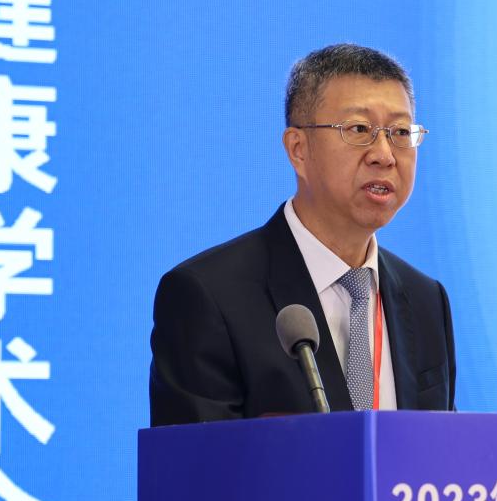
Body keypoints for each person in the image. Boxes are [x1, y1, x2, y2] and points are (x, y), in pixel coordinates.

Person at [149, 43, 455, 425]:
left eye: (400, 132)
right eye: (359, 129)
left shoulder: (426, 301)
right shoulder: (208, 296)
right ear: (298, 149)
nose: (384, 154)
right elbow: (197, 460)